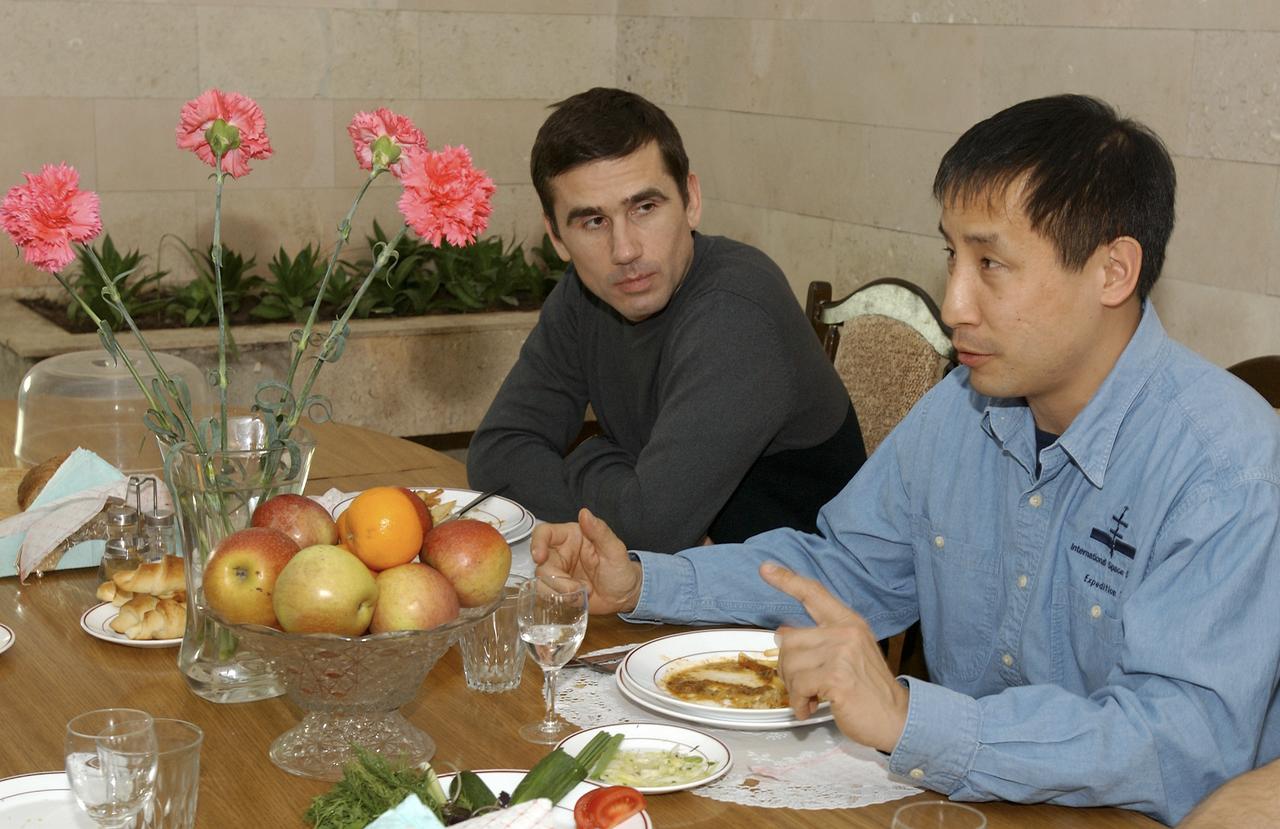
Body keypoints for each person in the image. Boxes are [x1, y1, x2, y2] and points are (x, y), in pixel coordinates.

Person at [530, 94, 1280, 825]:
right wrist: (641, 579)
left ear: (1113, 271)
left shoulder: (1226, 465)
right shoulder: (964, 406)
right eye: (954, 254)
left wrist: (907, 714)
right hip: (969, 803)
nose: (954, 302)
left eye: (992, 263)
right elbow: (845, 570)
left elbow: (1178, 743)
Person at [467, 87, 865, 552]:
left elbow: (648, 530)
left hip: (794, 611)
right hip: (672, 591)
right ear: (556, 237)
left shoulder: (736, 309)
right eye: (592, 222)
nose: (625, 250)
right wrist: (628, 485)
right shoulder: (585, 295)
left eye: (645, 207)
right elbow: (495, 455)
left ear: (691, 200)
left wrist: (587, 456)